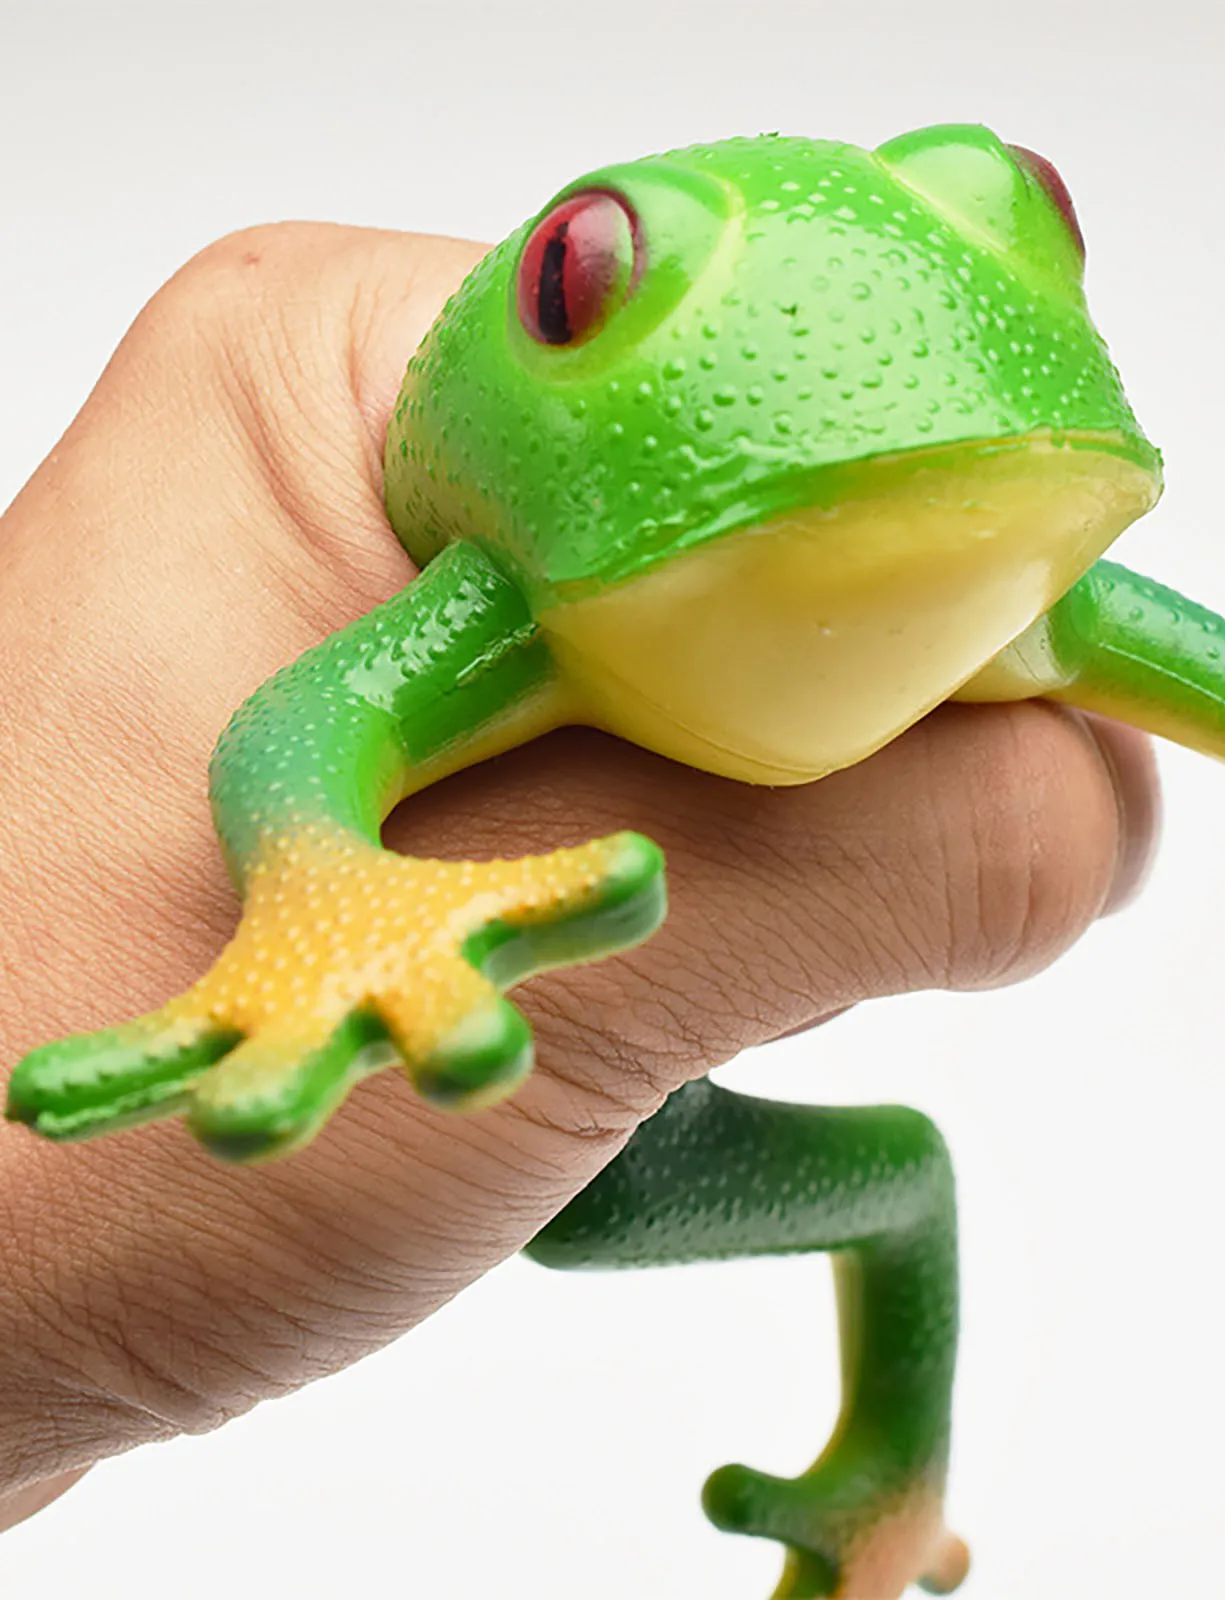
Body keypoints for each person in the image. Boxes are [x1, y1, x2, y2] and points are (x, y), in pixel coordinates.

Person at [0, 222, 1159, 1532]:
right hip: (594, 1118)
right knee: (613, 1208)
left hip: (639, 1114)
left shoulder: (1010, 588)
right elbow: (301, 730)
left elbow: (1207, 667)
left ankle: (896, 1475)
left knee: (743, 1192)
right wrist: (331, 895)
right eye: (581, 279)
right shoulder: (506, 603)